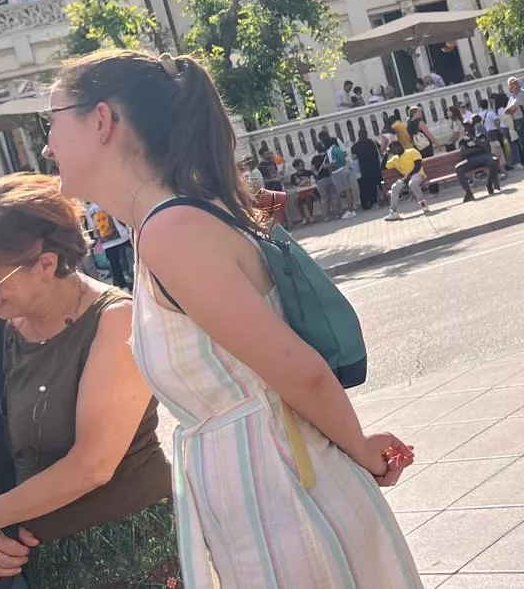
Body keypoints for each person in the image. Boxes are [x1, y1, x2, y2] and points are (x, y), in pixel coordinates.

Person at [42, 49, 419, 587]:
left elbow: (299, 369)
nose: (46, 145)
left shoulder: (171, 231)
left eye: (52, 121)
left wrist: (360, 447)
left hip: (282, 501)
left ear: (101, 121)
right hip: (270, 495)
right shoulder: (168, 223)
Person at [0, 174, 180, 586]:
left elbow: (91, 465)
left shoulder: (116, 321)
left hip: (125, 557)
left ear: (45, 264)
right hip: (17, 565)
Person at [85, 202, 133, 290]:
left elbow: (92, 227)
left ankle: (122, 285)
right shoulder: (106, 200)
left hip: (107, 241)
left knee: (115, 263)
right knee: (130, 255)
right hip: (122, 235)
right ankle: (124, 280)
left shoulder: (90, 210)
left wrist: (96, 240)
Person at [385, 140, 430, 221]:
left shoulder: (412, 151)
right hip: (406, 178)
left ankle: (423, 204)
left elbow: (418, 165)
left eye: (393, 148)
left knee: (412, 184)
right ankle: (393, 212)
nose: (393, 150)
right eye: (391, 149)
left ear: (399, 146)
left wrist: (409, 176)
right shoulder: (394, 159)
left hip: (418, 174)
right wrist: (386, 154)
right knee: (394, 187)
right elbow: (383, 167)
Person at [453, 126, 501, 203]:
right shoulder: (462, 141)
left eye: (469, 126)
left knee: (494, 160)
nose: (468, 130)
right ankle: (469, 193)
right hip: (471, 160)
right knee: (458, 168)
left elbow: (485, 147)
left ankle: (490, 185)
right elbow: (465, 152)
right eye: (466, 127)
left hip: (484, 157)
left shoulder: (482, 136)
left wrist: (474, 139)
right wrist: (477, 148)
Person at [325, 135, 359, 220]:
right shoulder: (336, 148)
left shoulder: (330, 151)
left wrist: (326, 166)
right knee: (348, 190)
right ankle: (352, 208)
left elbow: (333, 163)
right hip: (344, 168)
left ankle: (351, 211)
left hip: (338, 171)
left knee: (346, 191)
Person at [351, 127, 384, 211]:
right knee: (378, 183)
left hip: (364, 169)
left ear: (358, 136)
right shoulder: (371, 142)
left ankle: (373, 203)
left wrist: (357, 172)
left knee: (369, 186)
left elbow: (354, 161)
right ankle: (382, 199)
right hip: (375, 166)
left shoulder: (355, 147)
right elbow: (376, 154)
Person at [289, 158, 319, 225]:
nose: (302, 166)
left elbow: (314, 181)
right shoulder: (293, 176)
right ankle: (304, 218)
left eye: (303, 165)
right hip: (301, 193)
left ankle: (311, 216)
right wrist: (300, 184)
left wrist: (308, 180)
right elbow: (294, 187)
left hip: (311, 192)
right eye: (300, 165)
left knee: (308, 197)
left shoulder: (309, 172)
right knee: (296, 200)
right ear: (296, 167)